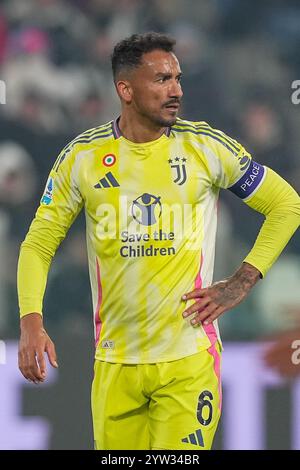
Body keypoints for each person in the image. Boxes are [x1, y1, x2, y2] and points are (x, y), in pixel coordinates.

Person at [17, 32, 300, 450]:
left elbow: (286, 205)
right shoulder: (82, 157)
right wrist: (31, 323)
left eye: (178, 78)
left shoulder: (205, 147)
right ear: (125, 89)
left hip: (187, 359)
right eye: (163, 80)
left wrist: (242, 279)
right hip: (115, 363)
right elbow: (38, 245)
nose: (177, 91)